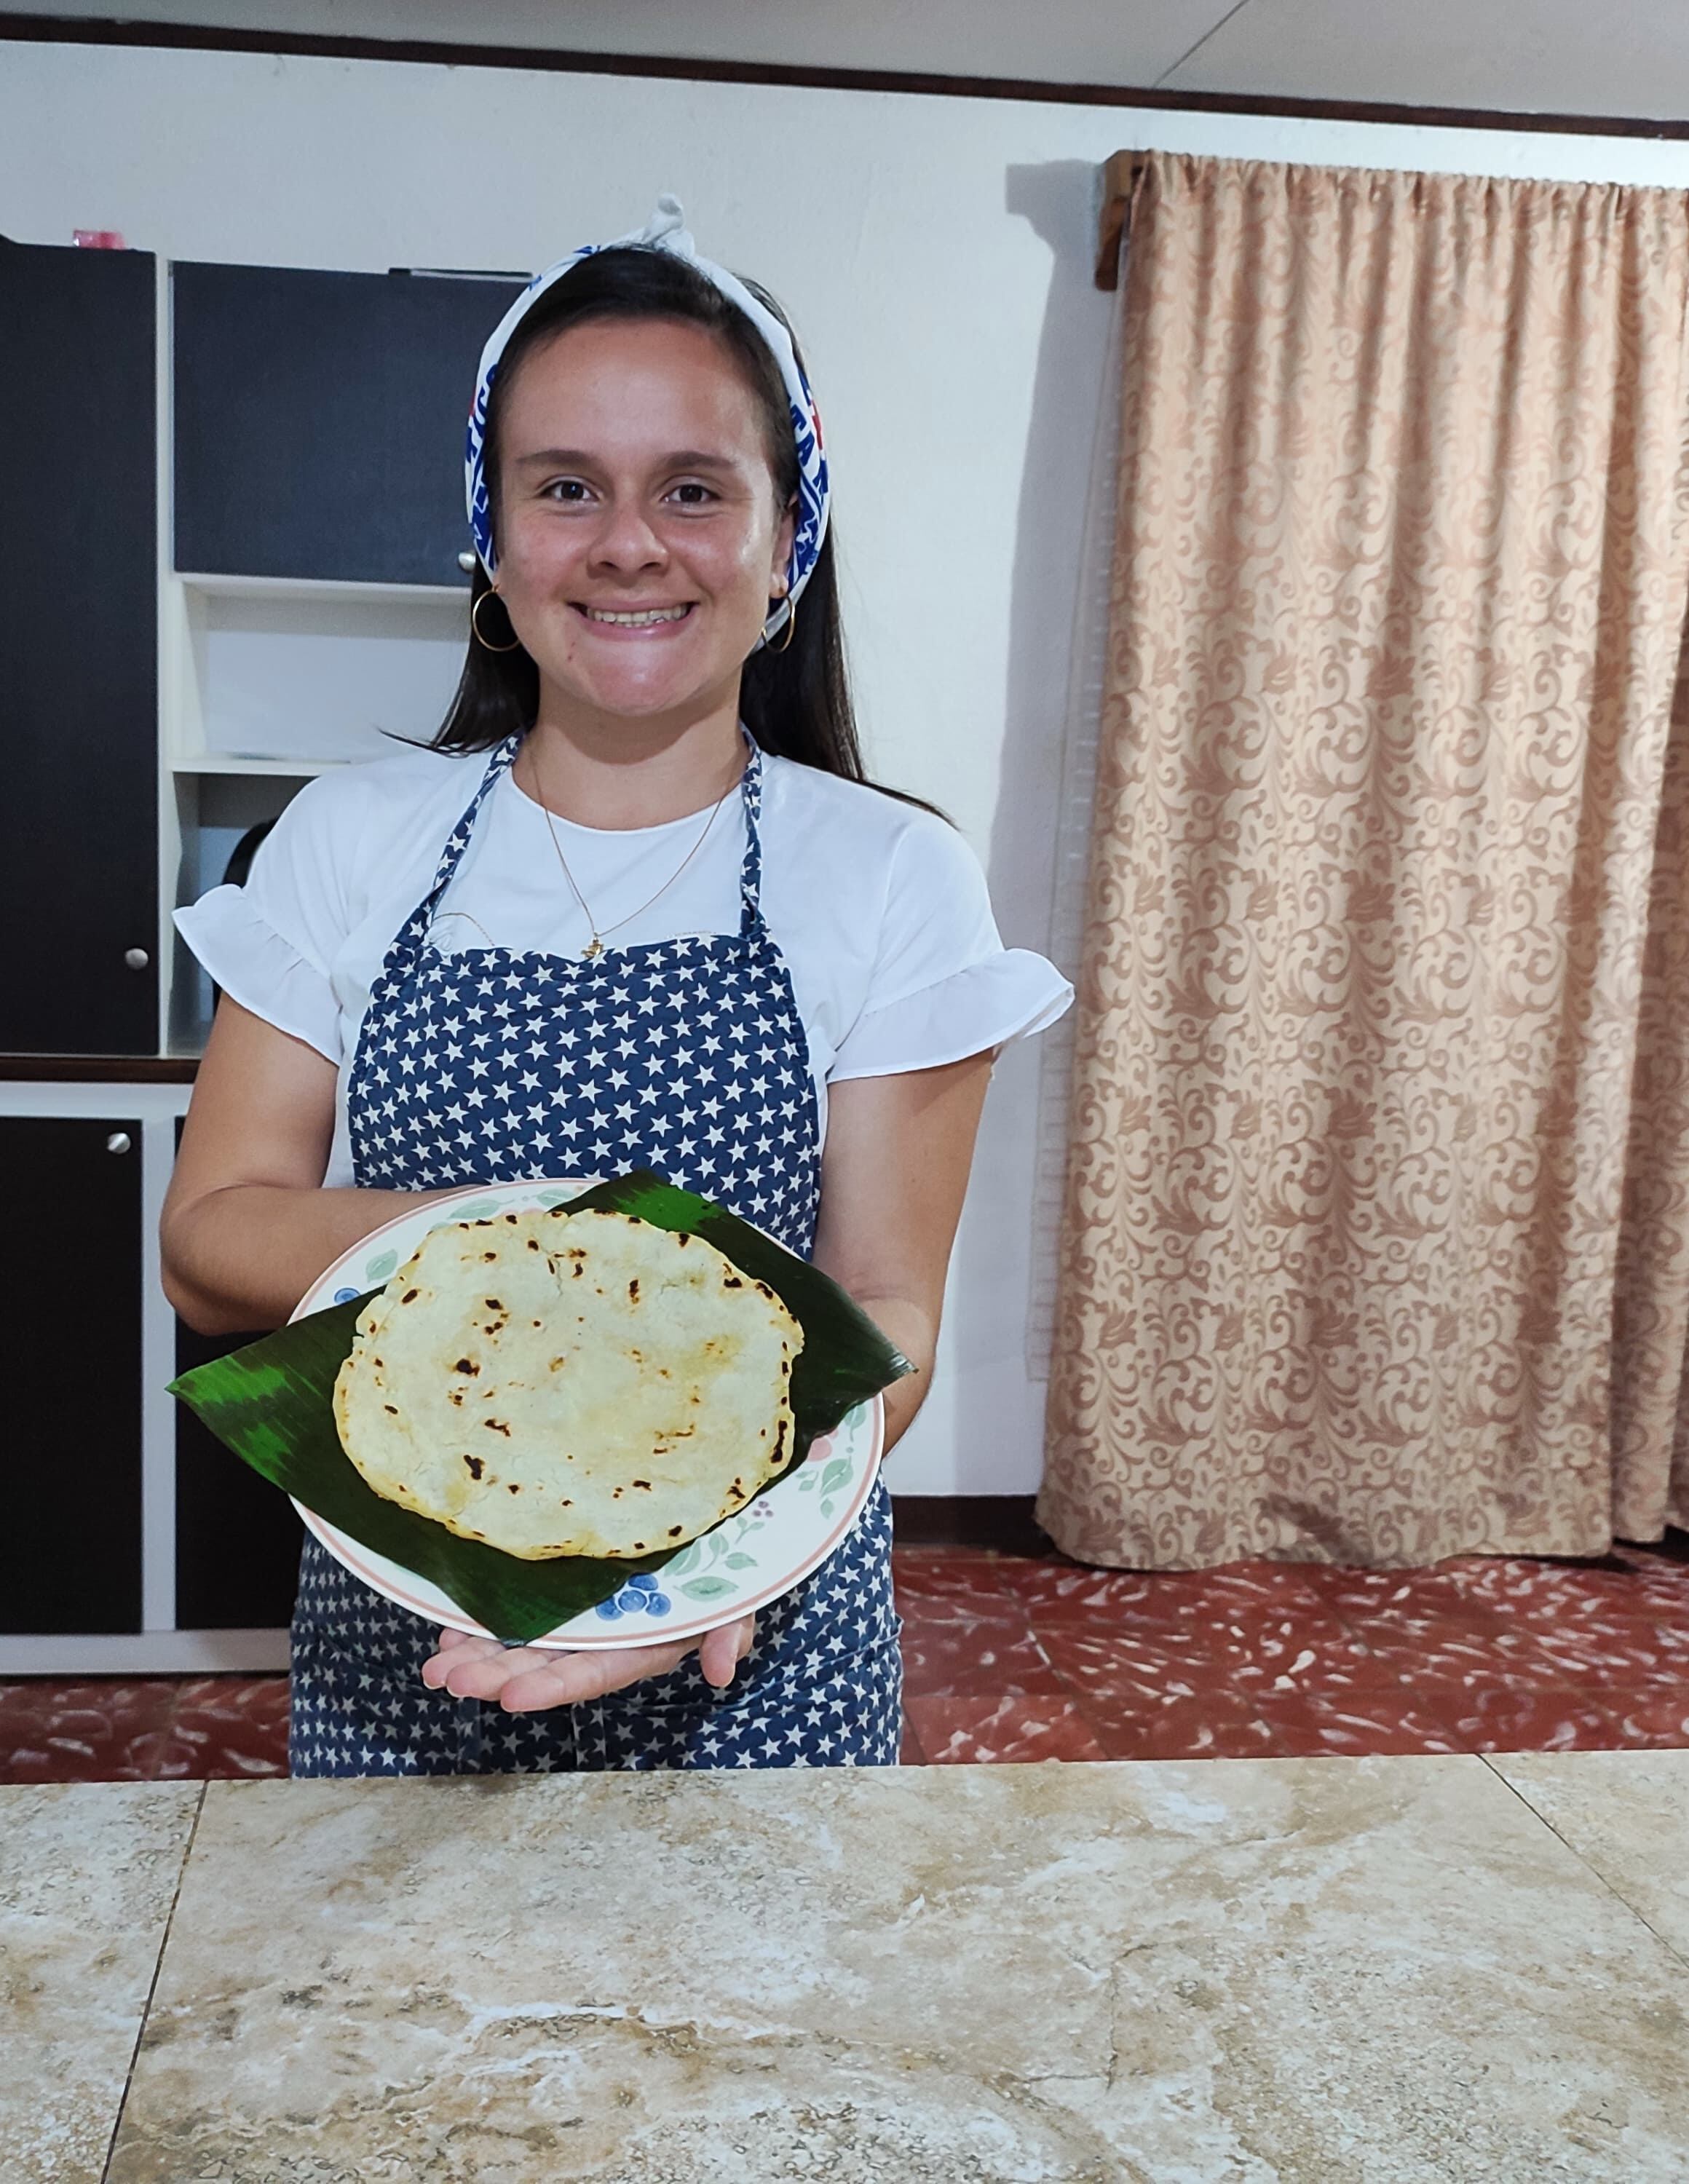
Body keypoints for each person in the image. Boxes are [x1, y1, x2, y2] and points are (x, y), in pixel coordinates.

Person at [159, 198, 1068, 1775]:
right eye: (564, 486)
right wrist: (550, 1263)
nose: (628, 541)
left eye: (694, 489)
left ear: (787, 536)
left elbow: (885, 1310)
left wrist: (702, 1566)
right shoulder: (350, 840)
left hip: (749, 1634)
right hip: (418, 1617)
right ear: (490, 536)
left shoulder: (887, 874)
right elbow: (212, 1237)